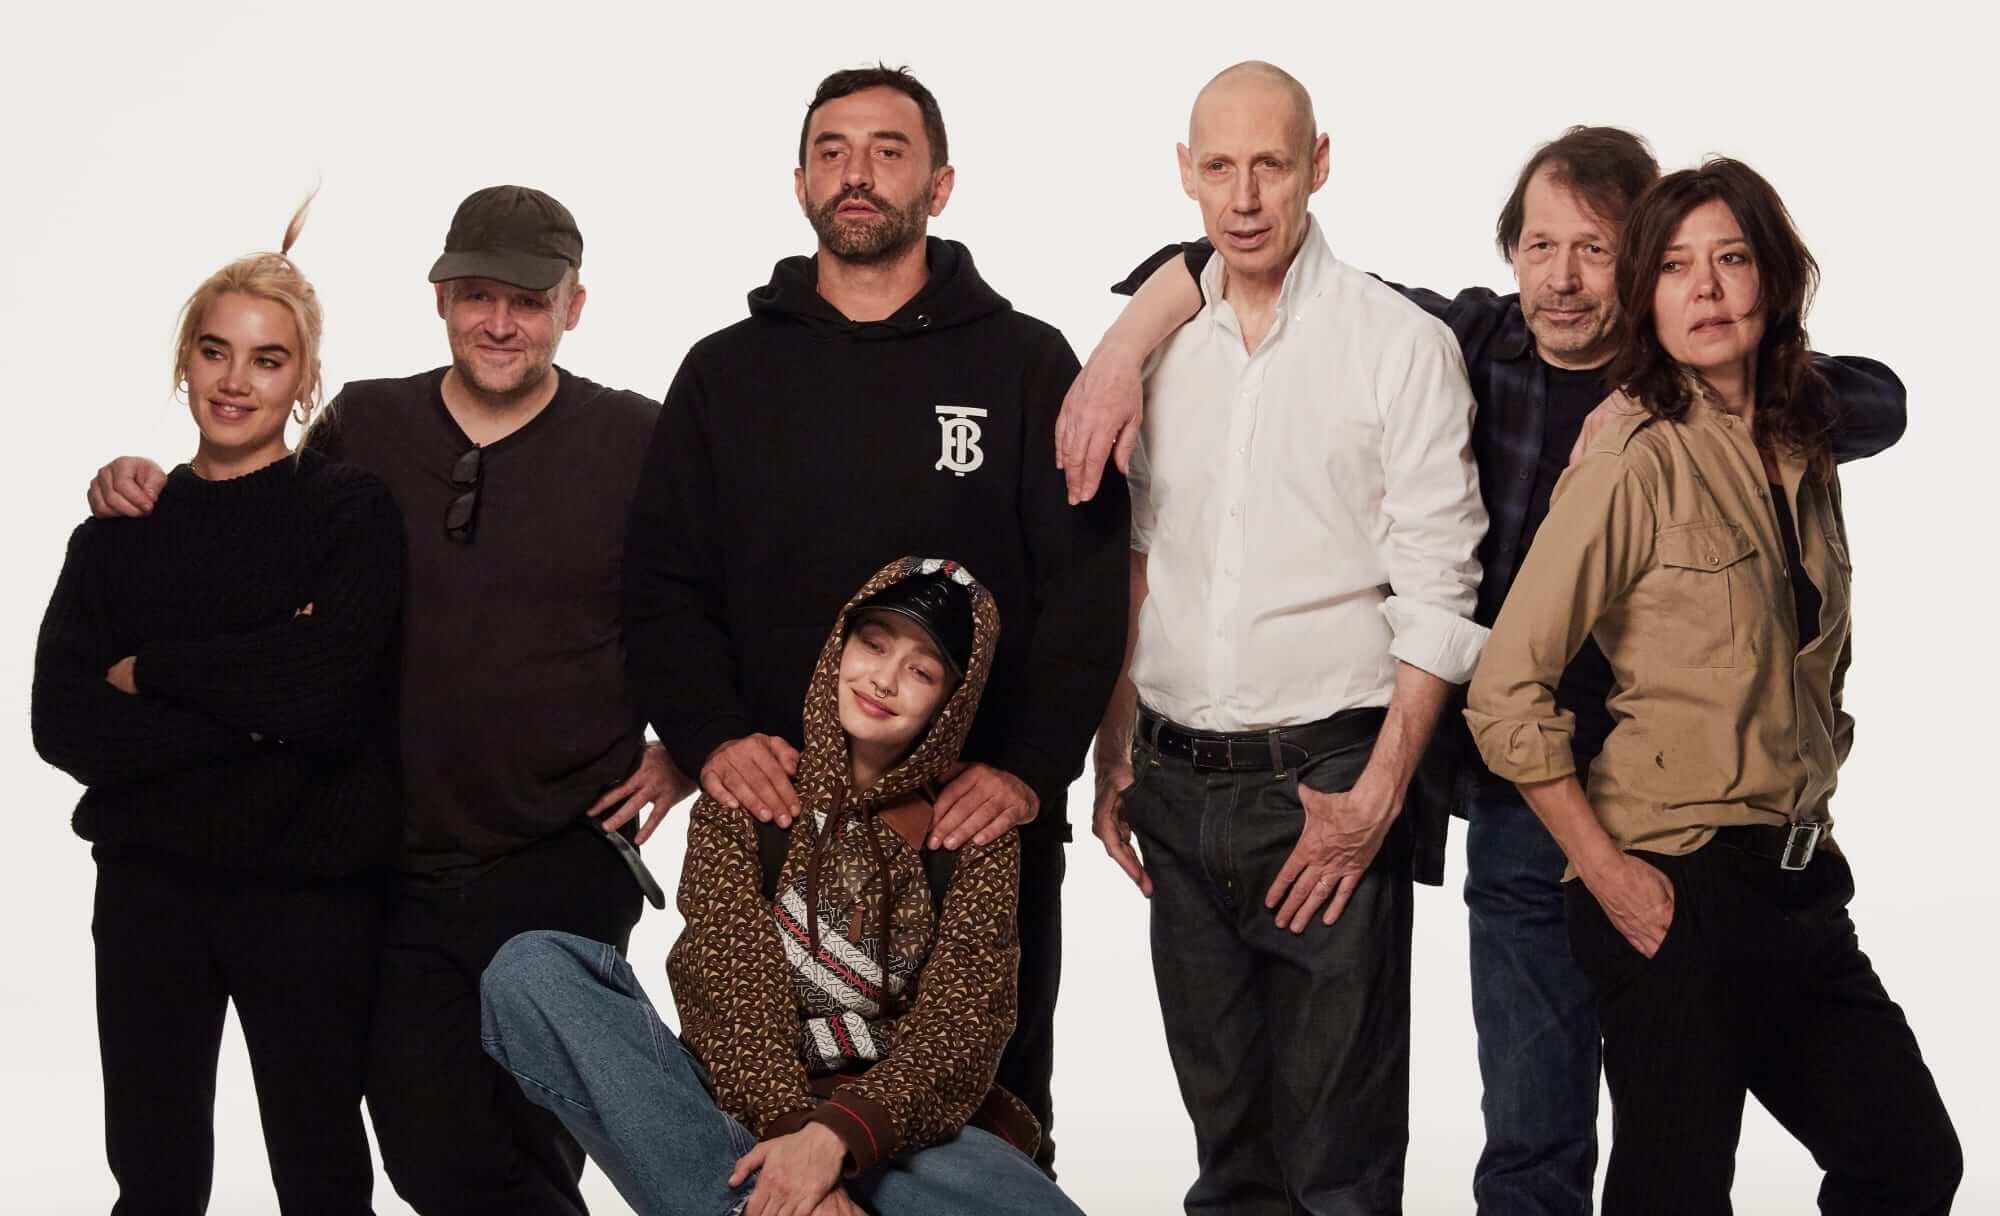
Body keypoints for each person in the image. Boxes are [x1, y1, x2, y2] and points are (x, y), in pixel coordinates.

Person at [1067, 126, 1910, 1214]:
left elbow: (1878, 399)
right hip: (1523, 792)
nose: (1561, 279)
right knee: (1533, 1127)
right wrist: (1119, 350)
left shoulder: (1697, 389)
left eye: (1596, 250)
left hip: (1687, 810)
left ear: (1642, 264)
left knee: (1691, 1137)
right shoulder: (1465, 340)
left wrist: (1688, 382)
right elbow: (1256, 261)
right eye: (1538, 245)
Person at [84, 185, 692, 1215]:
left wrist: (689, 746)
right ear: (440, 296)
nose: (499, 322)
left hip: (561, 848)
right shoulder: (365, 423)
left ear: (574, 307)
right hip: (392, 855)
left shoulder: (636, 438)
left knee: (518, 1134)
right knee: (425, 1140)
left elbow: (721, 595)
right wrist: (147, 484)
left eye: (529, 302)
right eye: (477, 295)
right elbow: (256, 529)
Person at [624, 64, 1129, 1172]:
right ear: (799, 180)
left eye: (888, 151)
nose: (857, 173)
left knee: (982, 1129)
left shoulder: (1024, 362)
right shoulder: (724, 373)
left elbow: (1086, 591)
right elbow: (661, 586)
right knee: (765, 1125)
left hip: (967, 831)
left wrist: (1029, 770)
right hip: (773, 824)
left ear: (939, 185)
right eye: (833, 150)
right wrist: (711, 735)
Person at [1465, 157, 1960, 1214]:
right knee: (1674, 1193)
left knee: (1908, 1161)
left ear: (1771, 278)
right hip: (1671, 879)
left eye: (1730, 259)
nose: (1705, 288)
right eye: (1674, 266)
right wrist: (1607, 873)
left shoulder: (1802, 442)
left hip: (1796, 880)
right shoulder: (1631, 457)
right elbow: (1505, 687)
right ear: (1645, 296)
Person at [1089, 62, 1487, 1214]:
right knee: (1227, 1160)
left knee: (1335, 1168)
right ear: (1185, 173)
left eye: (1269, 163)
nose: (1244, 195)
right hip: (1172, 788)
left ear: (1318, 164)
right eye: (1218, 166)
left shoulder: (1397, 343)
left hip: (1322, 787)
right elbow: (1139, 559)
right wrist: (1111, 753)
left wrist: (1377, 794)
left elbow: (1440, 589)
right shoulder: (1158, 349)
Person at [483, 558, 1086, 1216]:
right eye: (873, 645)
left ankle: (742, 1206)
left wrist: (834, 1141)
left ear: (952, 703)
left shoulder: (973, 828)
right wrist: (792, 1141)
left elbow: (963, 1024)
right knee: (532, 970)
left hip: (893, 1128)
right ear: (839, 648)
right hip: (736, 1105)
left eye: (921, 672)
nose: (884, 680)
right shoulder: (752, 791)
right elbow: (729, 987)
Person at [32, 206, 405, 1213]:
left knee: (322, 1175)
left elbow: (331, 699)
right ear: (184, 363)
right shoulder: (115, 535)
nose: (236, 381)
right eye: (215, 351)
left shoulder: (348, 512)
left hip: (307, 891)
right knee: (153, 1179)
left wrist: (150, 667)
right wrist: (266, 685)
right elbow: (64, 723)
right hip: (149, 891)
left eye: (268, 360)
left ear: (304, 379)